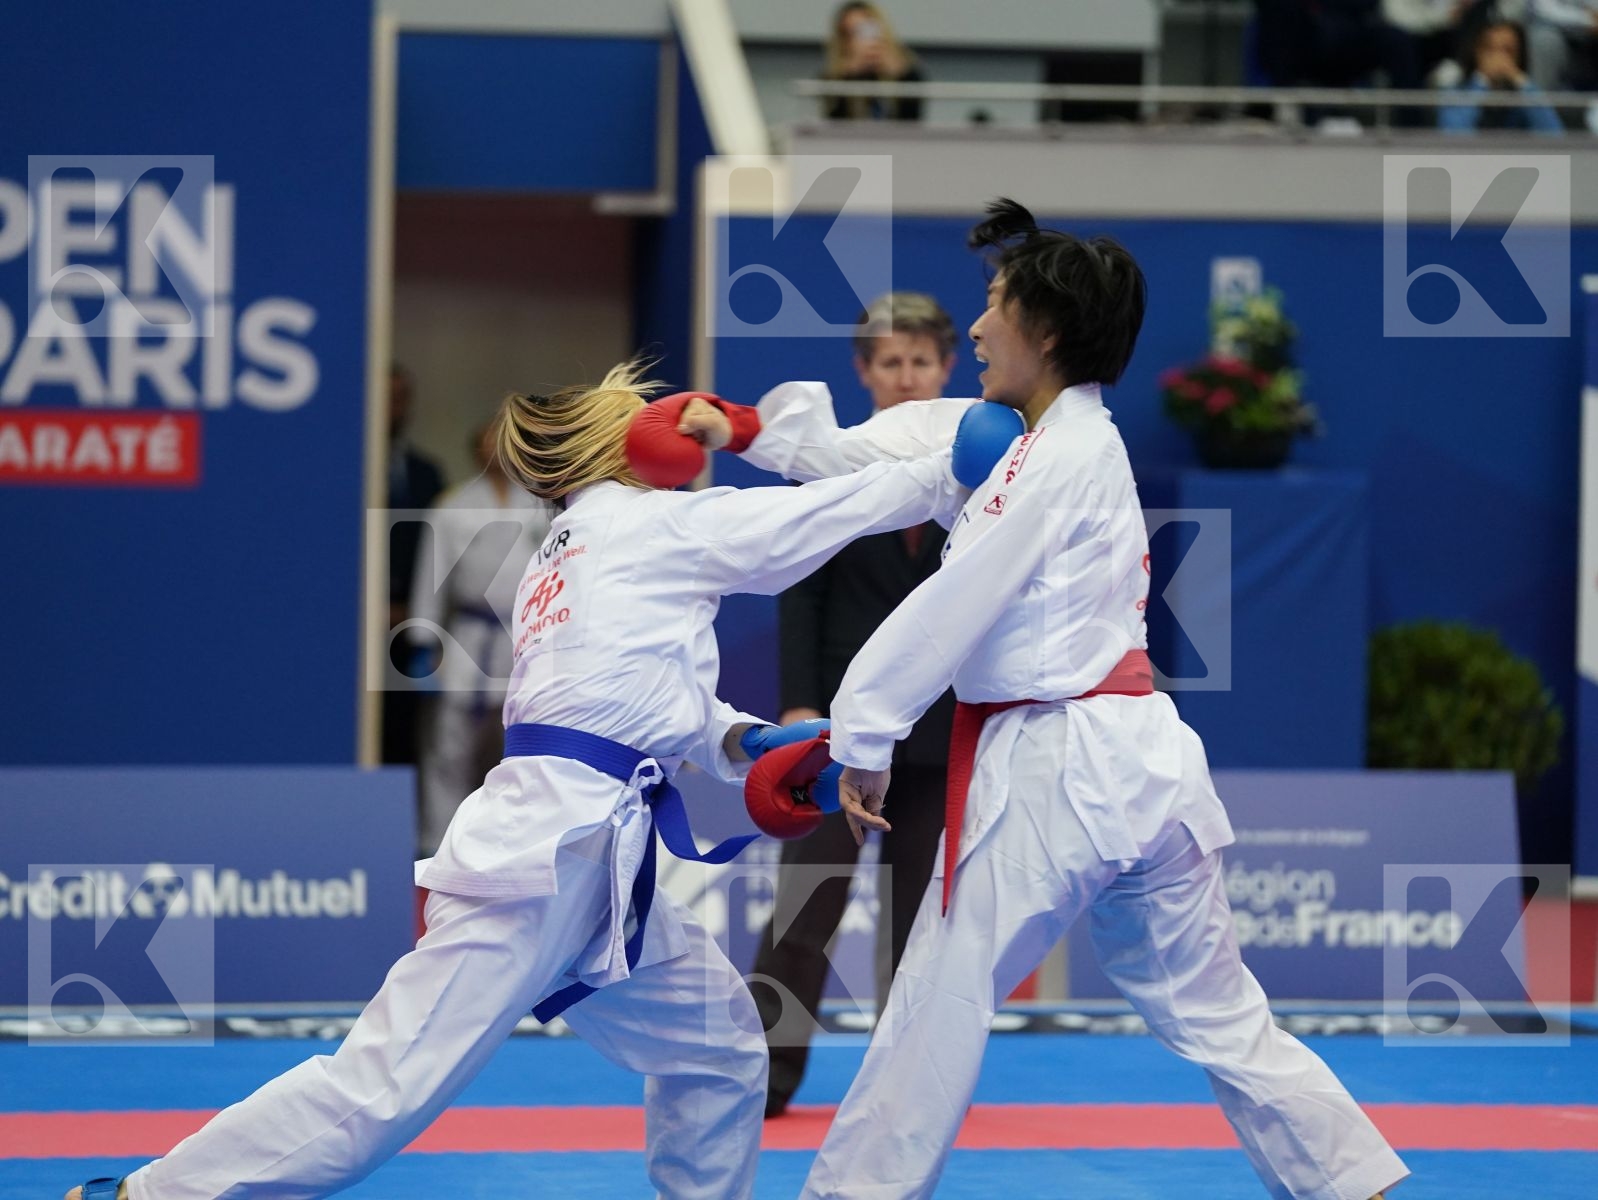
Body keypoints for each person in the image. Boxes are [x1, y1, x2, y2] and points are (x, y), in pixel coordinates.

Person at [66, 358, 983, 1200]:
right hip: (541, 859)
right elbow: (816, 520)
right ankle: (147, 1196)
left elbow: (653, 711)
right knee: (383, 1087)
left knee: (721, 1052)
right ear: (631, 446)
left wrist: (748, 746)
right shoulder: (641, 524)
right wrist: (958, 469)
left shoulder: (573, 550)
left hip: (599, 861)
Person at [682, 200, 1407, 1200]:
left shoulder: (1051, 461)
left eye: (990, 308)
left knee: (933, 999)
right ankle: (1351, 1182)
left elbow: (952, 602)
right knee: (1217, 1012)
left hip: (1057, 772)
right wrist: (750, 428)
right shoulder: (1025, 438)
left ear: (1045, 333)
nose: (973, 330)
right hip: (1143, 767)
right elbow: (887, 450)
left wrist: (861, 737)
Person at [752, 293, 958, 1118]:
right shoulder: (831, 462)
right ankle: (763, 1080)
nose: (907, 378)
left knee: (923, 927)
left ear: (947, 369)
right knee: (805, 909)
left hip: (944, 728)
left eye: (920, 362)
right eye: (890, 363)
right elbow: (799, 594)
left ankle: (909, 1092)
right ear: (863, 373)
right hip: (837, 728)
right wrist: (800, 706)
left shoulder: (987, 465)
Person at [408, 421, 555, 857]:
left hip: (526, 639)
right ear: (475, 451)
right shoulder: (453, 506)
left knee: (517, 751)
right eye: (488, 441)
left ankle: (507, 849)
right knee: (450, 750)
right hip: (469, 637)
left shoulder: (546, 504)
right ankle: (437, 847)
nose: (496, 450)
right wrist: (422, 642)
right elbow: (429, 578)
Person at [383, 363, 445, 768]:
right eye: (387, 397)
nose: (394, 408)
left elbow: (435, 553)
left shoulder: (426, 475)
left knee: (407, 730)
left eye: (401, 398)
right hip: (358, 623)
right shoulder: (342, 471)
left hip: (410, 621)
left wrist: (415, 611)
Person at [1442, 17, 1566, 130]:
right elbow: (1455, 134)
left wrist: (1520, 80)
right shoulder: (1456, 92)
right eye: (1490, 50)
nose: (1498, 59)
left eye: (1508, 51)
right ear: (1476, 51)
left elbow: (1553, 135)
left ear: (1520, 56)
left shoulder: (1527, 94)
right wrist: (1482, 81)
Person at [821, 2, 925, 121]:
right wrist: (850, 75)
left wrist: (902, 76)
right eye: (852, 34)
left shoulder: (907, 71)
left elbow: (913, 125)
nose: (863, 41)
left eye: (866, 30)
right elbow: (833, 126)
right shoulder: (831, 79)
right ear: (843, 41)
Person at [1527, 0, 1598, 91]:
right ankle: (1542, 101)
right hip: (1557, 32)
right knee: (1545, 39)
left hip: (1591, 37)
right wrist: (1588, 20)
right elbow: (1545, 11)